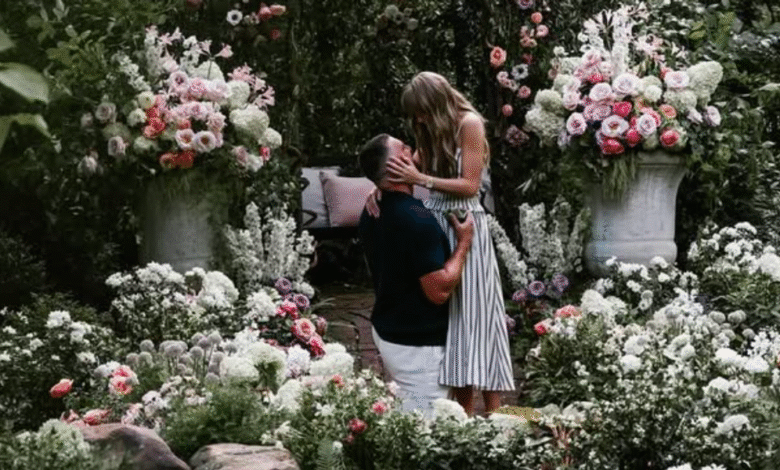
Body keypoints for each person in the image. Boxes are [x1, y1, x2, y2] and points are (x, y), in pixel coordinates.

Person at [366, 71, 515, 415]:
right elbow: (403, 169)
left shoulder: (469, 124)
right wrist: (378, 187)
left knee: (480, 315)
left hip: (464, 222)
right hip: (436, 222)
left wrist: (422, 180)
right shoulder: (431, 128)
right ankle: (463, 413)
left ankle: (497, 414)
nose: (417, 120)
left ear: (434, 104)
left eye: (420, 112)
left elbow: (471, 185)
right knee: (454, 323)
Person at [357, 133, 474, 418]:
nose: (412, 150)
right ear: (397, 165)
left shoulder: (373, 210)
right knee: (426, 428)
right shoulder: (415, 218)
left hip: (390, 328)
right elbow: (438, 290)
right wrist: (464, 243)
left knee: (409, 413)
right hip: (416, 344)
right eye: (404, 149)